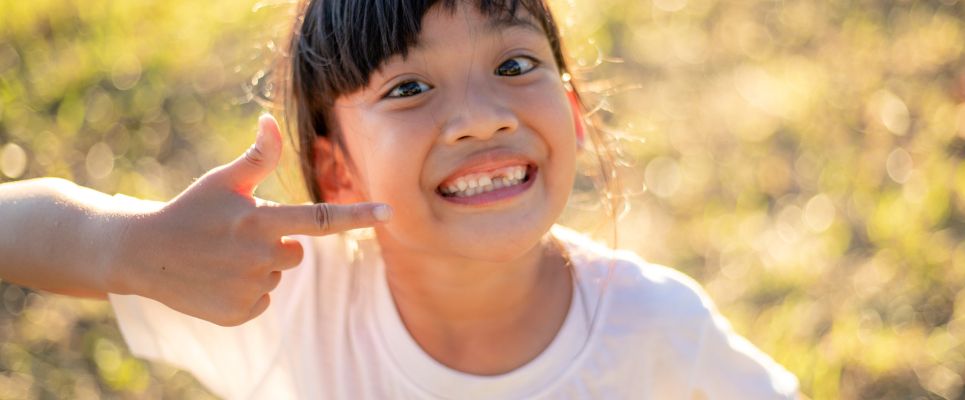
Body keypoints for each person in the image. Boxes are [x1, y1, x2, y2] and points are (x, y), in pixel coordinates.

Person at [0, 0, 801, 398]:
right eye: (411, 86)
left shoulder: (657, 328)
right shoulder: (287, 299)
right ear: (337, 170)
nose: (483, 117)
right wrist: (126, 247)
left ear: (576, 113)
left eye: (516, 66)